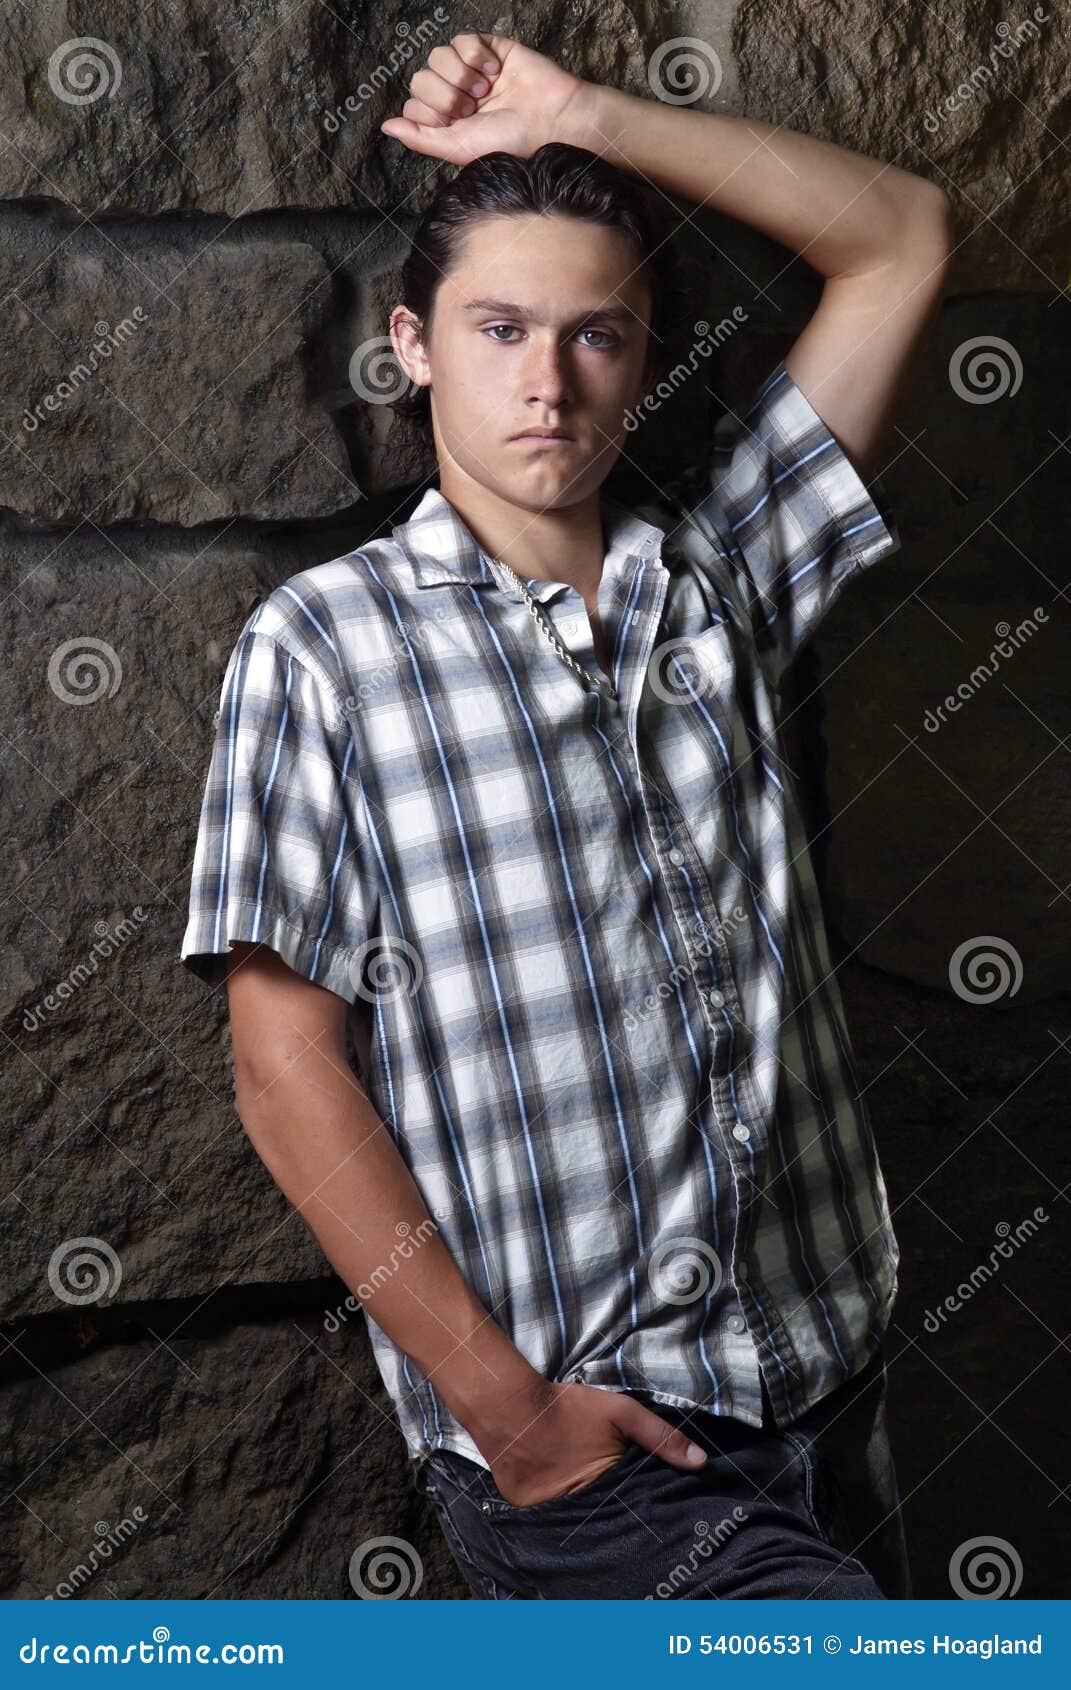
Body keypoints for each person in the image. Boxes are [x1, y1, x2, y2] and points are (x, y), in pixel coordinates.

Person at [179, 32, 952, 1598]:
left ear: (643, 346)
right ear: (414, 345)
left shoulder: (718, 575)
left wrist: (584, 115)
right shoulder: (327, 646)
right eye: (500, 327)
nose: (548, 381)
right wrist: (512, 1418)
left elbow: (903, 239)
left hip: (829, 1384)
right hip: (601, 1459)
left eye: (596, 335)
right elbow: (282, 1069)